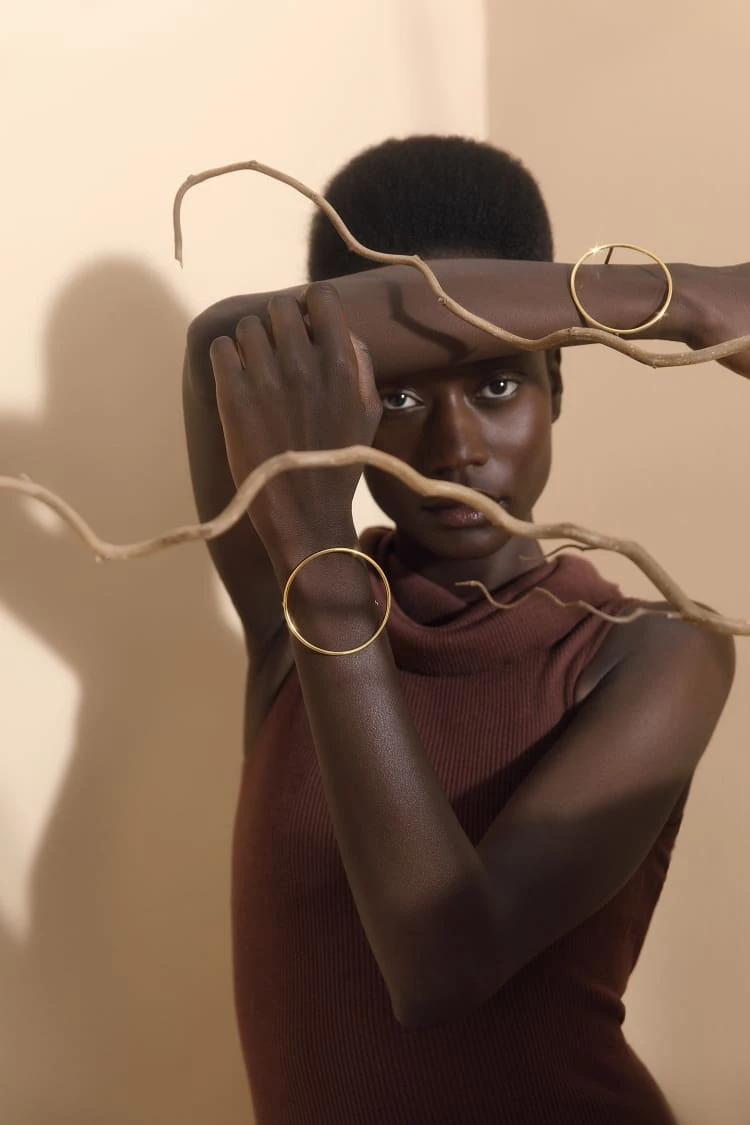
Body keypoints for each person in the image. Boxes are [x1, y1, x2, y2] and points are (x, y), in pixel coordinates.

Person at [183, 136, 744, 1124]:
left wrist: (321, 555)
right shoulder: (289, 617)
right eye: (398, 393)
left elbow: (441, 962)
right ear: (344, 407)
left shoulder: (656, 653)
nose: (454, 449)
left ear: (558, 383)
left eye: (496, 385)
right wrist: (694, 297)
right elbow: (222, 343)